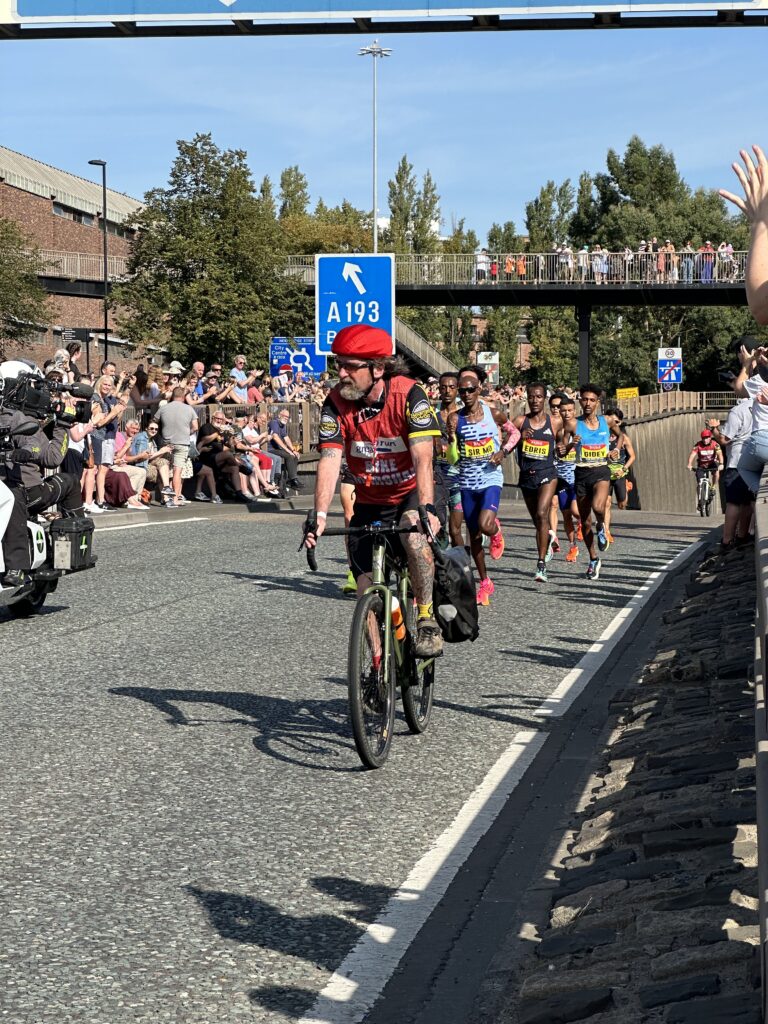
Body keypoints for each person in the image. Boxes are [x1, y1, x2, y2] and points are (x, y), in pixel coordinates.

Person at [304, 323, 444, 658]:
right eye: (338, 364)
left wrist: (427, 509)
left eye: (350, 366)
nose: (341, 373)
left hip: (410, 492)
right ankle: (377, 664)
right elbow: (330, 458)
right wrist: (319, 515)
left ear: (378, 368)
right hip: (368, 498)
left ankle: (426, 617)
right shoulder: (336, 401)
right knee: (364, 590)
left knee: (414, 537)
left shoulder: (410, 395)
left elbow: (423, 458)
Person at [447, 365, 520, 604]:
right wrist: (451, 438)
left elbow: (515, 434)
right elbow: (453, 457)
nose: (466, 395)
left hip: (490, 478)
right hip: (467, 482)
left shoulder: (493, 414)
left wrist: (502, 452)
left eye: (470, 390)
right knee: (474, 537)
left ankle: (496, 532)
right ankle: (485, 582)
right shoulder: (455, 418)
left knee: (485, 525)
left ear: (478, 390)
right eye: (462, 391)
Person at [561, 383, 621, 580]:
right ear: (580, 401)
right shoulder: (572, 424)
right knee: (585, 522)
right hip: (581, 474)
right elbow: (561, 451)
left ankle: (602, 525)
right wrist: (571, 444)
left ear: (598, 402)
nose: (588, 403)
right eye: (585, 399)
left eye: (592, 400)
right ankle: (594, 559)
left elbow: (621, 436)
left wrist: (616, 450)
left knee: (598, 506)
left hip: (601, 471)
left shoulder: (607, 421)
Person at [512, 382, 561, 583]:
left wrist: (563, 448)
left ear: (545, 399)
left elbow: (563, 441)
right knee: (538, 521)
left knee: (542, 513)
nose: (535, 400)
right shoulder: (520, 421)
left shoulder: (554, 422)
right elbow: (505, 442)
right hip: (527, 476)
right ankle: (548, 536)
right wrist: (519, 438)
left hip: (548, 473)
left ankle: (541, 564)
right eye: (531, 396)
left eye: (539, 397)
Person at [707, 375, 755, 548]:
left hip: (737, 461)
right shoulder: (760, 406)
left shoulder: (738, 410)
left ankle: (727, 541)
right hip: (754, 460)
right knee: (747, 501)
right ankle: (743, 536)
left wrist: (714, 428)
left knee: (734, 502)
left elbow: (724, 440)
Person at [548, 392, 582, 564]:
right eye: (554, 407)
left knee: (575, 511)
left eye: (561, 407)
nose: (559, 411)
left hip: (577, 476)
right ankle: (569, 544)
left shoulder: (580, 427)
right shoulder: (551, 429)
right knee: (564, 512)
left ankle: (582, 522)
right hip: (558, 476)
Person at [152, 387, 198, 506]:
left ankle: (165, 498)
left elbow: (154, 421)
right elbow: (195, 427)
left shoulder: (164, 408)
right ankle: (176, 498)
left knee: (165, 469)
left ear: (172, 396)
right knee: (177, 472)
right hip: (182, 443)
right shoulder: (189, 408)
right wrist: (187, 433)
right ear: (183, 397)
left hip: (166, 442)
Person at [435, 372, 465, 548]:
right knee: (438, 527)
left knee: (455, 530)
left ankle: (461, 562)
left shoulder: (464, 415)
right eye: (443, 387)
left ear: (457, 389)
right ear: (439, 389)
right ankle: (441, 562)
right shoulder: (432, 415)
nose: (447, 391)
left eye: (452, 387)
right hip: (438, 478)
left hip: (459, 479)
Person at [603, 406, 636, 543]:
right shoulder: (601, 436)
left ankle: (626, 487)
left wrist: (623, 469)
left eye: (616, 422)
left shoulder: (624, 438)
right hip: (605, 474)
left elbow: (632, 456)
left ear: (620, 423)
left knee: (622, 504)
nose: (613, 424)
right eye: (610, 421)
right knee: (607, 504)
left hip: (619, 474)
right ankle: (606, 532)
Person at [267, 408, 302, 493]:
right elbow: (275, 438)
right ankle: (292, 479)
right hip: (270, 449)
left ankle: (293, 478)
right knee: (289, 456)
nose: (286, 418)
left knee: (295, 455)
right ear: (279, 415)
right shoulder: (274, 423)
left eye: (287, 417)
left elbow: (286, 438)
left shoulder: (283, 425)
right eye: (284, 416)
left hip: (278, 449)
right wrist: (288, 450)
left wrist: (293, 450)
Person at [687, 428, 723, 507]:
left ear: (710, 438)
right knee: (699, 483)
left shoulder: (715, 444)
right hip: (702, 465)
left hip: (712, 463)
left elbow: (719, 454)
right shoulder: (698, 445)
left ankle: (713, 486)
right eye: (703, 438)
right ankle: (700, 499)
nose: (705, 440)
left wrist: (721, 463)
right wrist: (689, 464)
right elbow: (692, 454)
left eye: (707, 438)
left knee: (716, 472)